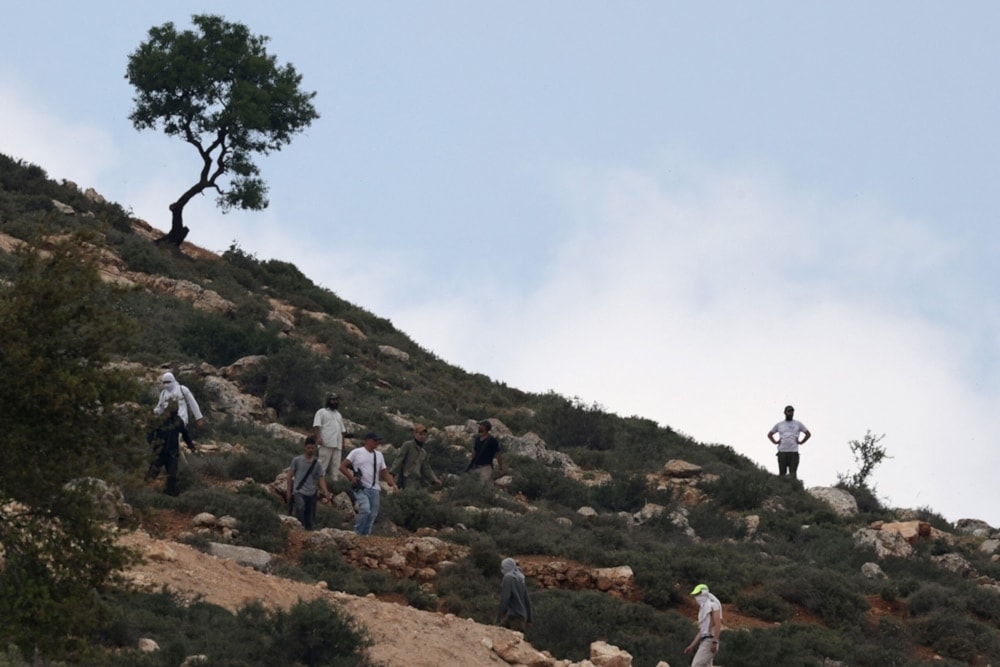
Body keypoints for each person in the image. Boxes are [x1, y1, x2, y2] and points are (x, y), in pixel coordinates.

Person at [340, 433, 398, 535]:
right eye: (374, 440)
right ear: (367, 440)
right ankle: (357, 533)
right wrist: (351, 478)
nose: (377, 443)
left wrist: (392, 483)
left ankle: (365, 535)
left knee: (372, 515)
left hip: (375, 488)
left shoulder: (379, 455)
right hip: (361, 487)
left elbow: (384, 471)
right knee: (365, 509)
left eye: (377, 441)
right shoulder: (357, 452)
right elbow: (343, 466)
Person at [146, 399, 196, 496]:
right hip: (159, 452)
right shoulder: (161, 419)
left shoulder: (178, 421)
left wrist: (191, 446)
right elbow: (151, 431)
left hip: (172, 454)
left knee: (172, 476)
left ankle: (170, 495)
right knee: (152, 473)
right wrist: (152, 441)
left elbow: (185, 434)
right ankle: (142, 490)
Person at [285, 436, 332, 531]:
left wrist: (325, 491)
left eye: (312, 448)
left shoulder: (317, 464)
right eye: (309, 448)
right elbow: (290, 476)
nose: (310, 450)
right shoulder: (297, 460)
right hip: (299, 491)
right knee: (300, 508)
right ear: (305, 447)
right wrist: (289, 492)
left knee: (310, 516)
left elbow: (321, 478)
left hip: (311, 492)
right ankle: (299, 528)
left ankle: (307, 532)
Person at [313, 392, 353, 483]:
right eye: (333, 400)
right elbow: (316, 426)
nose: (335, 402)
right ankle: (317, 482)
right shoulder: (321, 412)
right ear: (328, 401)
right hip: (326, 442)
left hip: (337, 444)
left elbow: (342, 430)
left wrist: (342, 443)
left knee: (336, 466)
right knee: (322, 463)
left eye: (336, 400)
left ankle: (334, 484)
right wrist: (318, 437)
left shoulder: (338, 414)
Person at [390, 424, 442, 490]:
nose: (422, 436)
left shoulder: (423, 452)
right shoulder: (408, 445)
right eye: (420, 434)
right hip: (406, 479)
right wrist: (392, 474)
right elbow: (399, 459)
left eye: (424, 434)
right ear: (415, 434)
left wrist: (434, 480)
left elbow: (426, 468)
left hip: (416, 481)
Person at [767, 405, 811, 479]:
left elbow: (808, 434)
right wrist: (775, 442)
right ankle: (782, 489)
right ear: (785, 412)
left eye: (792, 412)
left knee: (793, 474)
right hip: (782, 451)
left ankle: (794, 489)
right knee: (782, 474)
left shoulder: (798, 423)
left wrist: (801, 442)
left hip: (793, 451)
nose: (790, 413)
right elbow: (770, 434)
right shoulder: (779, 424)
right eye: (789, 411)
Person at [684, 583, 722, 666]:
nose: (696, 597)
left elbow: (718, 624)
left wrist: (715, 642)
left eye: (698, 594)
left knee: (696, 665)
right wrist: (692, 646)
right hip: (705, 641)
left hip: (710, 641)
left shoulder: (713, 605)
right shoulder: (703, 610)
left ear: (703, 593)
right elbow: (702, 631)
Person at [496, 557, 533, 632]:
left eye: (503, 567)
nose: (502, 570)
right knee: (497, 632)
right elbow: (527, 600)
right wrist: (529, 619)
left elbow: (505, 599)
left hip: (516, 619)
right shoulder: (520, 579)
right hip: (517, 617)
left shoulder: (508, 578)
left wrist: (499, 617)